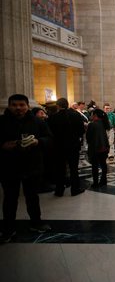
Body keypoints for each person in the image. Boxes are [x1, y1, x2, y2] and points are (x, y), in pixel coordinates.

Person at [0, 94, 53, 242]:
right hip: (9, 167)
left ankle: (36, 223)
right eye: (14, 105)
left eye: (21, 105)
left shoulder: (38, 121)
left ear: (27, 106)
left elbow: (49, 139)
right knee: (10, 199)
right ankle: (8, 228)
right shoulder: (2, 122)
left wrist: (38, 141)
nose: (18, 108)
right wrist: (3, 145)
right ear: (9, 106)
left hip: (32, 165)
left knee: (32, 197)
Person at [48, 97, 86, 197]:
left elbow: (50, 133)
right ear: (67, 104)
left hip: (58, 147)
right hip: (73, 146)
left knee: (60, 169)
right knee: (74, 169)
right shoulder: (75, 115)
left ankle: (59, 190)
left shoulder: (53, 117)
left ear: (58, 106)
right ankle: (75, 189)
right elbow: (82, 131)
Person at [86, 109, 110, 188]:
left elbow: (88, 138)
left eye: (92, 114)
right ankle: (104, 180)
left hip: (95, 149)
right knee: (103, 165)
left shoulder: (92, 125)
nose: (91, 116)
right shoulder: (104, 123)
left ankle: (95, 183)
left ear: (95, 115)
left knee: (95, 166)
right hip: (104, 148)